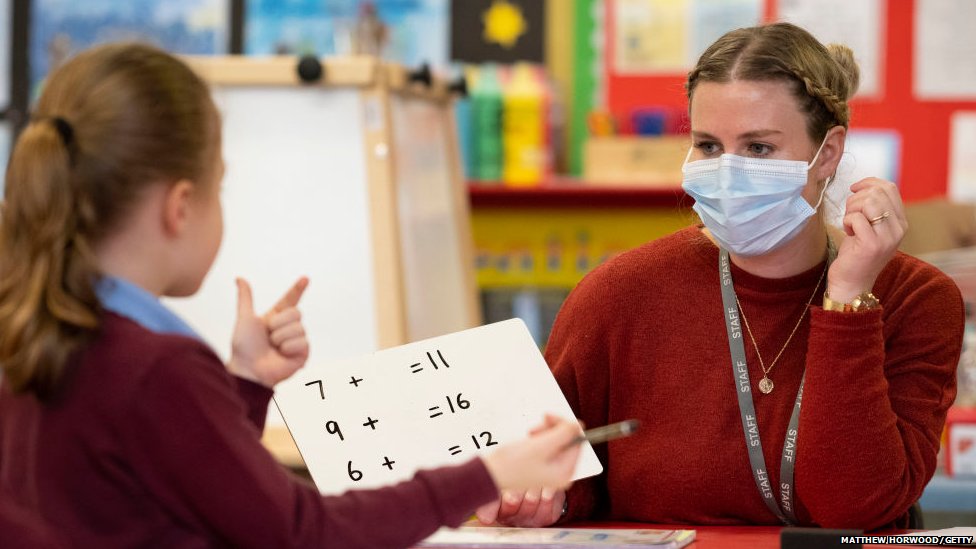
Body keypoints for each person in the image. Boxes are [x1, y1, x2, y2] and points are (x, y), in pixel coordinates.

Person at [0, 43, 582, 548]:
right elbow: (301, 533)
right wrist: (487, 473)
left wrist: (247, 384)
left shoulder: (39, 335)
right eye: (219, 185)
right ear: (180, 207)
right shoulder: (156, 370)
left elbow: (198, 488)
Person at [477, 22, 964, 531]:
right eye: (708, 145)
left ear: (828, 153)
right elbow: (560, 472)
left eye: (758, 148)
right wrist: (541, 498)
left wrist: (848, 300)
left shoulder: (917, 299)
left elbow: (855, 511)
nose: (728, 171)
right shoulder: (619, 294)